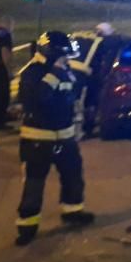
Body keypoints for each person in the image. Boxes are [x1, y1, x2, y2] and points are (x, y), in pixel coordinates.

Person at [15, 31, 94, 246]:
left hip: (66, 137)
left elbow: (70, 98)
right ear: (50, 53)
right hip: (38, 140)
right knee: (34, 183)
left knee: (73, 177)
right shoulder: (32, 73)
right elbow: (39, 98)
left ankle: (72, 211)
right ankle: (27, 226)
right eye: (62, 56)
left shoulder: (66, 70)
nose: (66, 59)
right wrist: (56, 72)